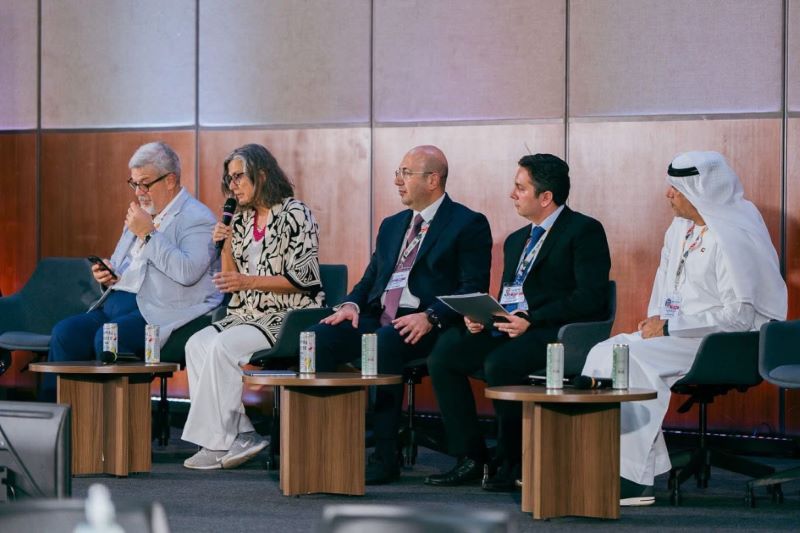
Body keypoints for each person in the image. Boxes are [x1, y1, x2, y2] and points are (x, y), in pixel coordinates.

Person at [582, 151, 787, 506]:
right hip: (677, 333)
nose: (668, 194)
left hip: (723, 342)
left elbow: (738, 318)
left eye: (676, 188)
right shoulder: (679, 228)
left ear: (700, 190)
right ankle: (604, 464)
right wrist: (655, 322)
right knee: (604, 352)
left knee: (631, 361)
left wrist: (668, 328)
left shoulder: (733, 234)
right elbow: (664, 288)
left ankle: (633, 480)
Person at [307, 145, 493, 484]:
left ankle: (385, 454)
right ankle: (327, 445)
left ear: (433, 179)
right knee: (319, 337)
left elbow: (472, 287)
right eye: (398, 172)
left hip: (429, 323)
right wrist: (349, 305)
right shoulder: (392, 225)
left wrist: (431, 316)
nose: (397, 181)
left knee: (384, 342)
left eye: (405, 173)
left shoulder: (467, 223)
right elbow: (370, 279)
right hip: (381, 315)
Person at [425, 153, 611, 491]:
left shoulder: (584, 231)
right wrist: (483, 317)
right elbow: (510, 296)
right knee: (445, 353)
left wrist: (532, 318)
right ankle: (471, 456)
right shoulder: (515, 240)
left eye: (520, 188)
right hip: (511, 326)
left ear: (546, 196)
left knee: (500, 363)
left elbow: (590, 298)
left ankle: (512, 460)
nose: (512, 194)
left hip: (555, 331)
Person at [181, 143, 324, 470]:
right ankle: (242, 433)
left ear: (262, 174)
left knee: (223, 346)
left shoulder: (295, 213)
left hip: (288, 314)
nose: (232, 186)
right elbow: (232, 282)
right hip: (247, 313)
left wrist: (248, 281)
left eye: (238, 177)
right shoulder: (242, 220)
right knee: (197, 344)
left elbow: (304, 279)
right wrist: (226, 244)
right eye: (229, 179)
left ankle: (218, 443)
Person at [44, 141, 222, 401]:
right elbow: (124, 265)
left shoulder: (198, 218)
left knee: (109, 339)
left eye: (145, 184)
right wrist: (109, 275)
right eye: (134, 183)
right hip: (118, 303)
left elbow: (187, 272)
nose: (139, 192)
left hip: (160, 309)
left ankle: (112, 422)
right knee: (65, 333)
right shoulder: (141, 214)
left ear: (170, 180)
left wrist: (149, 234)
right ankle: (63, 419)